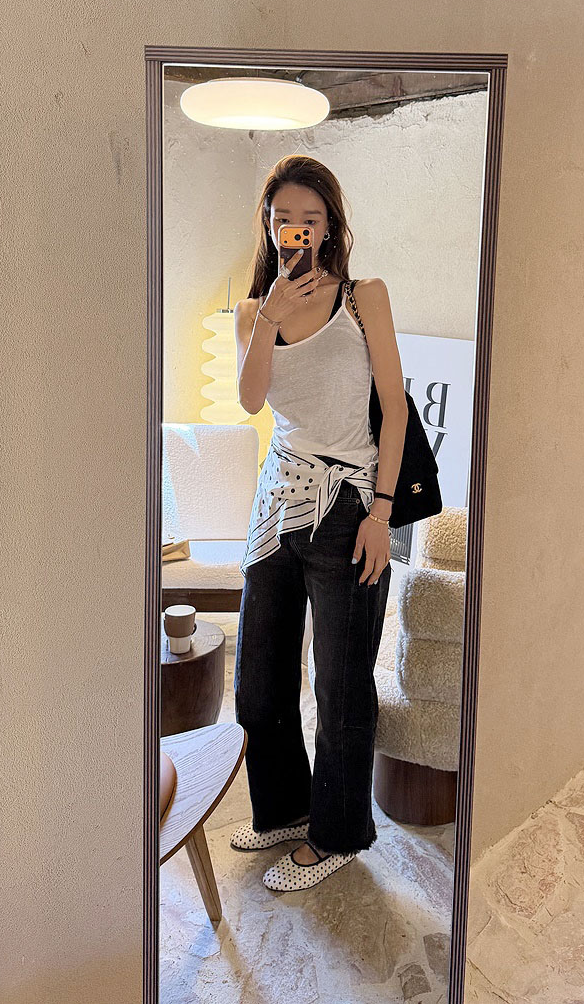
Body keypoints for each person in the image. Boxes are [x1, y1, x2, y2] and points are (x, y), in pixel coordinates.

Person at [230, 154, 408, 892]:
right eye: (283, 220)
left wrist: (382, 514)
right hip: (276, 505)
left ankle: (336, 832)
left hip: (348, 508)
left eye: (309, 218)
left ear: (329, 224)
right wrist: (270, 315)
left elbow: (394, 409)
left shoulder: (364, 298)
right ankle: (284, 809)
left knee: (340, 686)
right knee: (259, 681)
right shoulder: (253, 313)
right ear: (270, 228)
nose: (295, 230)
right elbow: (250, 401)